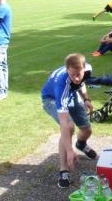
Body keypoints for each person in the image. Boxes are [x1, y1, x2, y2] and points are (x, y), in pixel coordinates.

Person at [41, 53, 97, 188]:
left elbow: (81, 83)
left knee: (87, 129)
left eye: (79, 74)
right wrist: (69, 150)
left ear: (84, 68)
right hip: (51, 99)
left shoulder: (87, 69)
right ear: (67, 71)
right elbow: (64, 124)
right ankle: (64, 170)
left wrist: (86, 99)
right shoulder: (61, 85)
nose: (77, 78)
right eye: (73, 75)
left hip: (73, 94)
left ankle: (81, 144)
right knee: (69, 127)